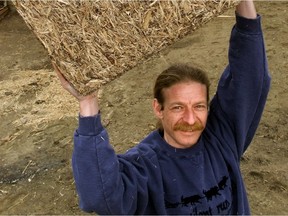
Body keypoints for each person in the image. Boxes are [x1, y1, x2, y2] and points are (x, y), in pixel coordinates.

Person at [53, 0, 271, 214]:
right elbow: (99, 197)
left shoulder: (222, 138)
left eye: (199, 106)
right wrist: (87, 101)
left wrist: (244, 3)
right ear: (159, 109)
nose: (190, 119)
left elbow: (250, 78)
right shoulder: (145, 167)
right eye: (178, 108)